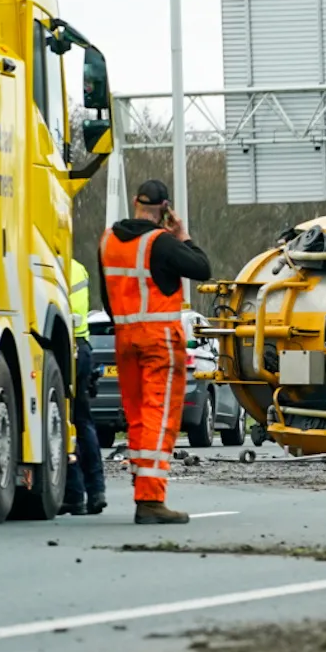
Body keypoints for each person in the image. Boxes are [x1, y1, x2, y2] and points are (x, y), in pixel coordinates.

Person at [99, 178, 210, 524]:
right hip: (158, 339)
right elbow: (202, 268)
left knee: (135, 415)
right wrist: (182, 234)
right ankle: (150, 499)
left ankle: (141, 481)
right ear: (165, 209)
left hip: (124, 335)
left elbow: (106, 293)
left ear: (135, 201)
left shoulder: (108, 241)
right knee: (159, 417)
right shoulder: (160, 242)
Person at [61, 256, 106, 515]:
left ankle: (74, 493)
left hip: (64, 344)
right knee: (82, 420)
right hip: (82, 346)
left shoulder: (47, 263)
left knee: (63, 421)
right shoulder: (78, 267)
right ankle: (96, 490)